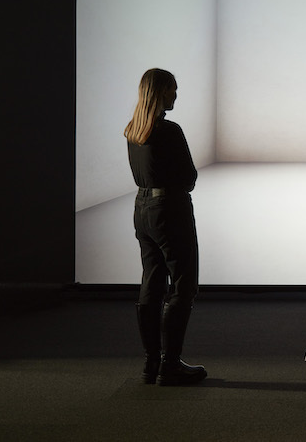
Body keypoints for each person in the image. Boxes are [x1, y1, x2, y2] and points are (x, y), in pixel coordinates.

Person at [124, 68, 206, 386]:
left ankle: (151, 364)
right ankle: (170, 364)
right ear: (160, 92)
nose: (175, 95)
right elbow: (189, 178)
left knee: (152, 283)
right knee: (183, 287)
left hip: (142, 210)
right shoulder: (169, 130)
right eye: (172, 89)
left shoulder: (133, 130)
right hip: (169, 210)